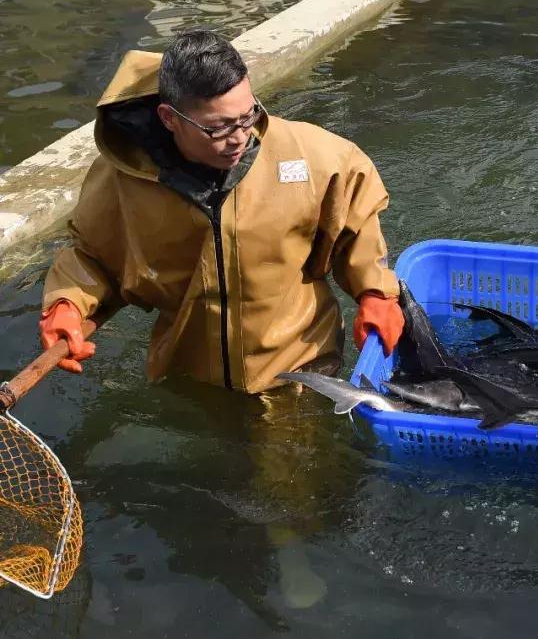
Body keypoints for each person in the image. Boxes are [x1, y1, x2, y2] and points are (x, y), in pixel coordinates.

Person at [38, 30, 404, 393]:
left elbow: (357, 223)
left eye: (247, 117)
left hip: (300, 367)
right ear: (169, 118)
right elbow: (92, 255)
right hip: (189, 373)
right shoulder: (122, 176)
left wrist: (375, 293)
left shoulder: (313, 154)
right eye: (219, 127)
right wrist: (66, 303)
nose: (239, 137)